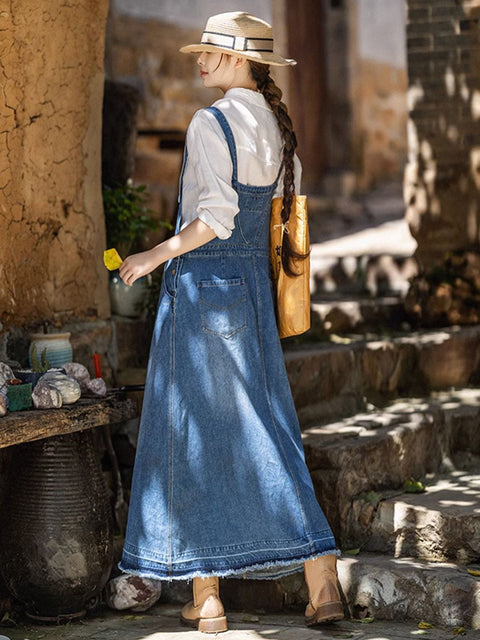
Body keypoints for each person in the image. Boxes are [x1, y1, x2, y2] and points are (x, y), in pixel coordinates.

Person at [118, 11, 344, 634]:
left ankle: (209, 598)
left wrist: (152, 255)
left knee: (192, 430)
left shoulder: (208, 122)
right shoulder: (272, 123)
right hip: (250, 291)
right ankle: (322, 584)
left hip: (204, 289)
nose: (200, 60)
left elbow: (213, 219)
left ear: (238, 59)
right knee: (268, 427)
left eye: (211, 52)